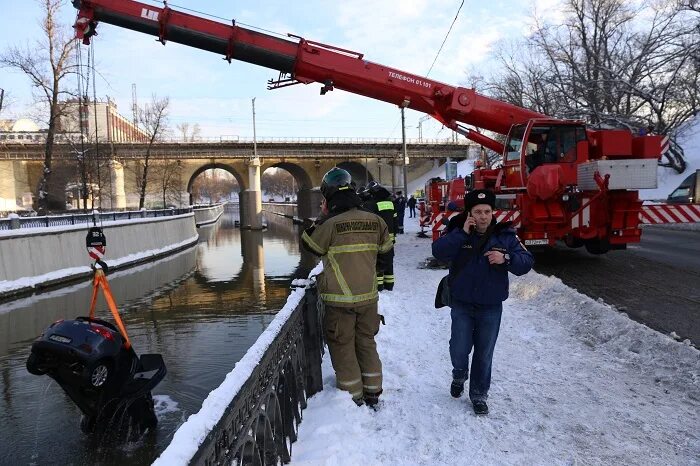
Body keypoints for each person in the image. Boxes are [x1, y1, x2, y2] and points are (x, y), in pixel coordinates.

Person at [432, 189, 534, 416]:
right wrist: (461, 234)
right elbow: (438, 252)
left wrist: (506, 258)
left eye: (487, 211)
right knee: (459, 348)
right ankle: (459, 374)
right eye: (478, 211)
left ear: (492, 212)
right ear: (470, 213)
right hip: (462, 304)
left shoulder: (504, 235)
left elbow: (526, 262)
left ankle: (479, 394)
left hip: (490, 306)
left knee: (484, 352)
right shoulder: (457, 232)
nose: (483, 216)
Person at [302, 168, 393, 408]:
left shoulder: (330, 224)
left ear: (328, 196)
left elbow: (310, 245)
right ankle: (373, 391)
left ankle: (353, 397)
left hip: (339, 300)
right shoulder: (376, 220)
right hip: (369, 298)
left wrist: (321, 217)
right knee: (366, 342)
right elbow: (385, 253)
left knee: (342, 346)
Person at [361, 181, 397, 291]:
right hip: (390, 238)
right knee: (389, 260)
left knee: (378, 260)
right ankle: (389, 284)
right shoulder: (390, 203)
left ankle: (379, 286)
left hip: (378, 237)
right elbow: (395, 220)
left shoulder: (372, 204)